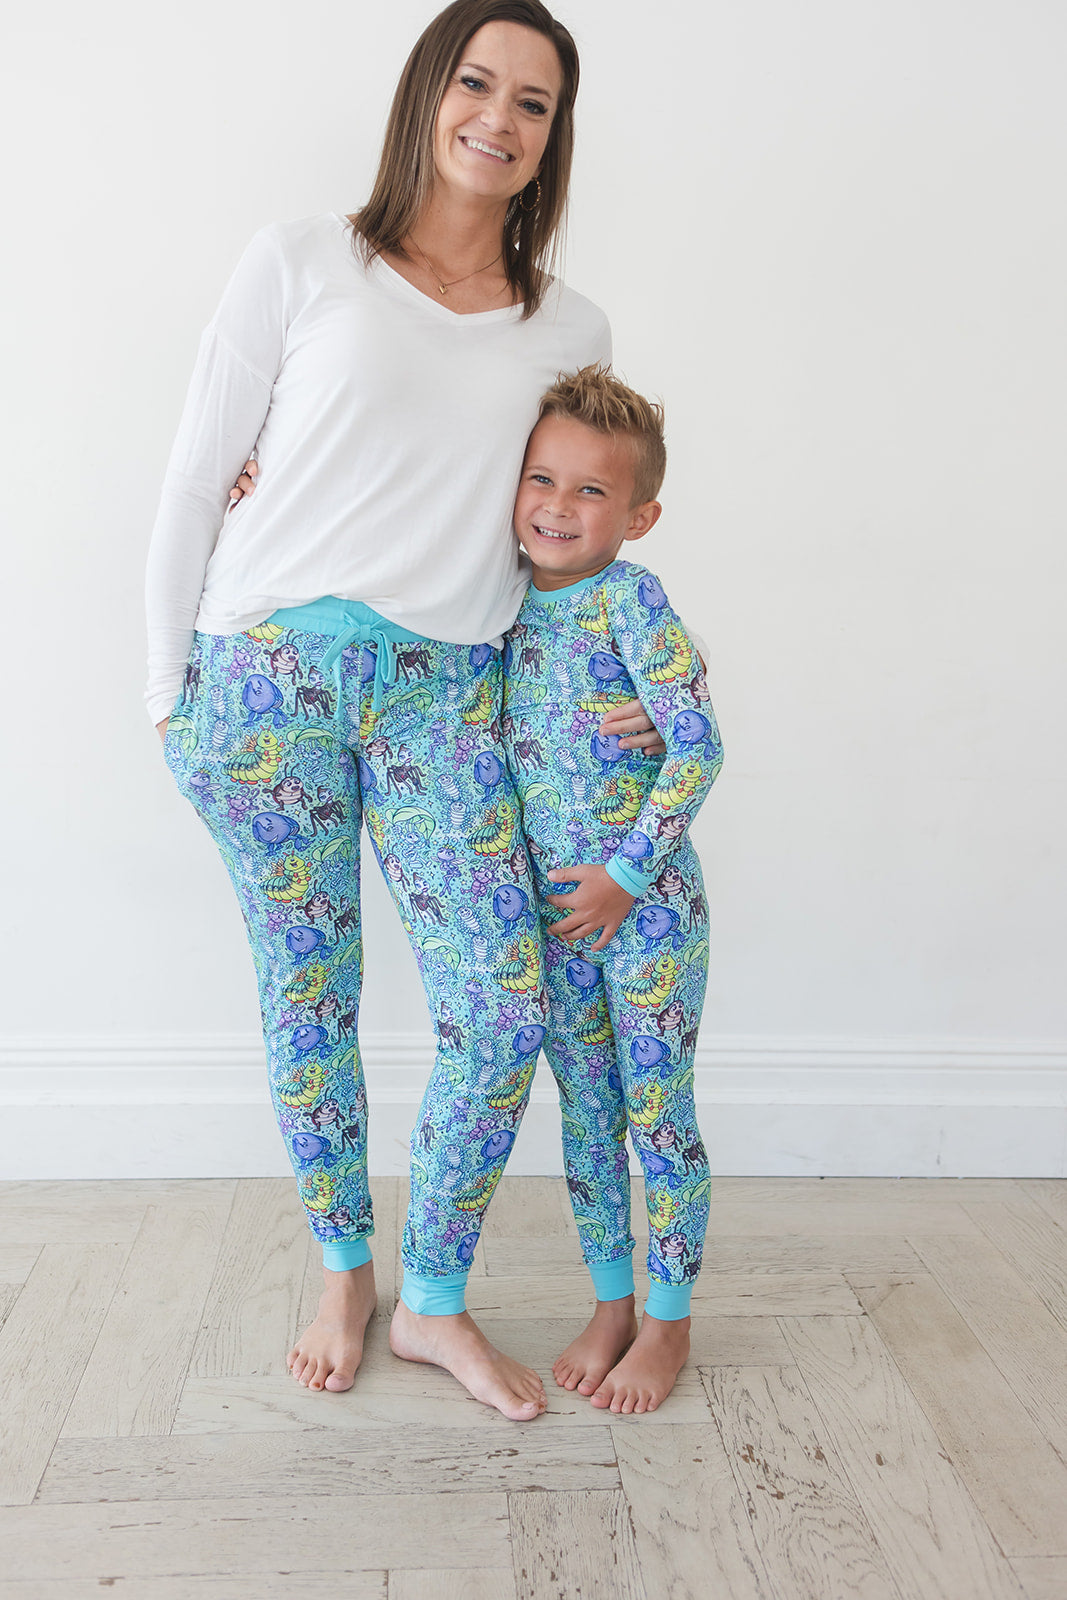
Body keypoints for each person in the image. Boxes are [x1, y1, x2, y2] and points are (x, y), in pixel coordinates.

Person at [145, 0, 665, 1420]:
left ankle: (430, 1297)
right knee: (307, 994)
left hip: (448, 695)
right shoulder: (301, 261)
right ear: (429, 90)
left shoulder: (570, 325)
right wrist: (164, 700)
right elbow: (195, 477)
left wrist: (633, 683)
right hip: (266, 684)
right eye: (477, 83)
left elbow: (567, 528)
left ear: (553, 136)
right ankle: (344, 1273)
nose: (499, 118)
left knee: (501, 1008)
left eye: (533, 102)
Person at [500, 365, 722, 1412]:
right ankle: (610, 1303)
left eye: (590, 490)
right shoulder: (493, 599)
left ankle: (668, 1321)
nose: (557, 505)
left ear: (638, 516)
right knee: (587, 1118)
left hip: (646, 917)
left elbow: (697, 748)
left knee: (656, 1114)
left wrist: (626, 879)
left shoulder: (631, 600)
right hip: (555, 924)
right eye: (541, 478)